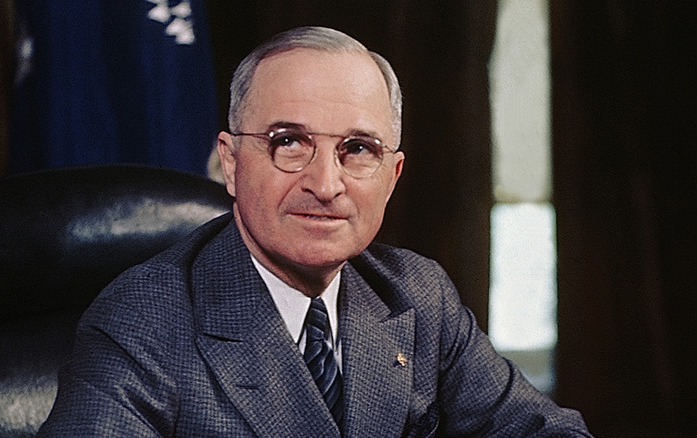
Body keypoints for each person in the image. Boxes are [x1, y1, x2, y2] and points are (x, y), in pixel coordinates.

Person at [38, 26, 592, 437]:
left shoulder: (418, 297)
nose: (325, 184)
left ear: (392, 175)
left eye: (357, 150)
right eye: (289, 142)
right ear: (231, 163)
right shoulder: (144, 321)